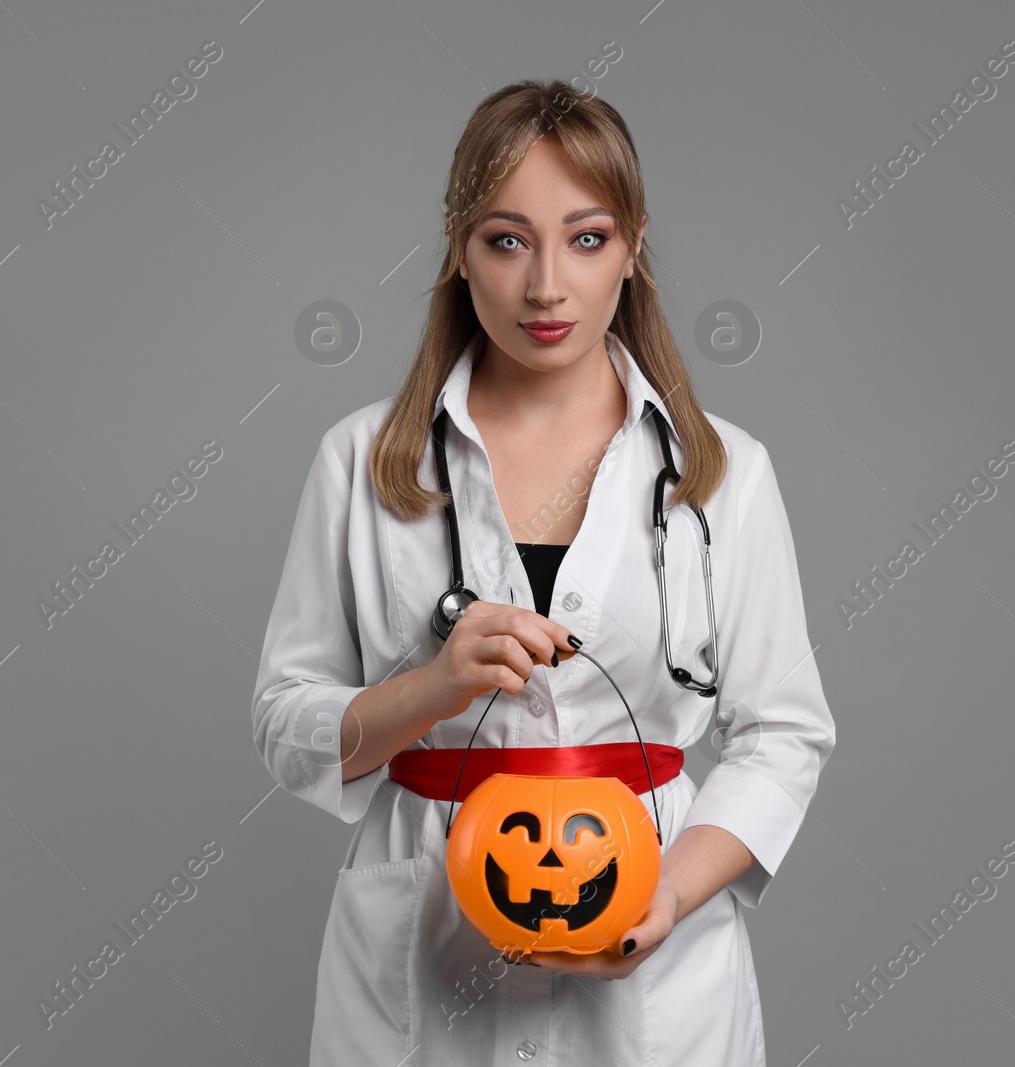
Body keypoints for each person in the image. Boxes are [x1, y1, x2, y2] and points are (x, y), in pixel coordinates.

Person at [253, 78, 836, 1067]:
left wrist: (668, 895)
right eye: (507, 239)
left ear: (634, 246)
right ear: (457, 245)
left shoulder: (719, 473)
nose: (546, 288)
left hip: (656, 973)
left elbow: (783, 731)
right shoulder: (360, 462)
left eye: (587, 237)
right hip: (417, 964)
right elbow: (285, 724)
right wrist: (431, 688)